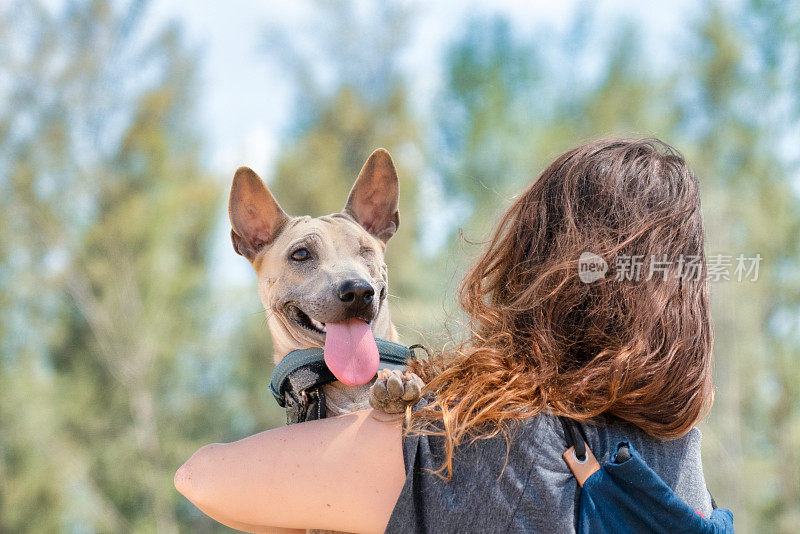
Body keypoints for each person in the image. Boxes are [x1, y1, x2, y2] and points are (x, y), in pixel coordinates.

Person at [175, 138, 719, 533]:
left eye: (364, 253)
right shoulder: (684, 464)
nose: (354, 281)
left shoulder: (471, 440)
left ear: (531, 271)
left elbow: (199, 478)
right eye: (303, 257)